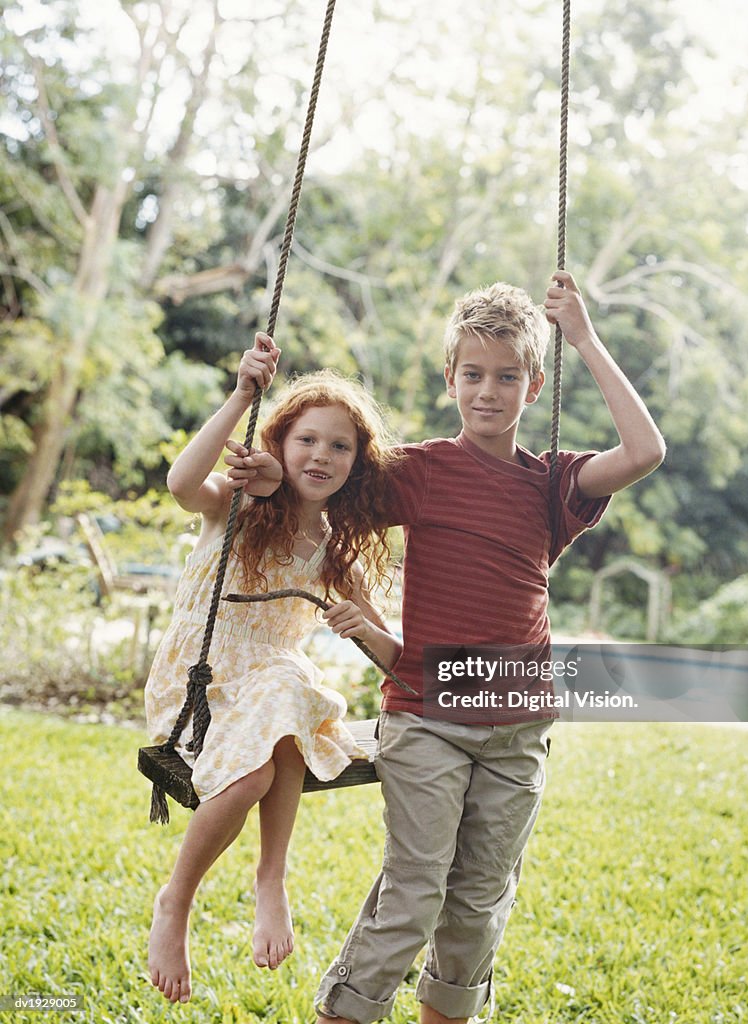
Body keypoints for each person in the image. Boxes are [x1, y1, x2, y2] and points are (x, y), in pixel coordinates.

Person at [313, 271, 666, 1024]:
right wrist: (380, 637)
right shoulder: (417, 471)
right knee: (413, 894)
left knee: (475, 907)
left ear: (533, 387)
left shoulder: (553, 485)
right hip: (426, 718)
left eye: (507, 377)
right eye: (472, 374)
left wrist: (585, 337)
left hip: (516, 729)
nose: (488, 391)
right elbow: (320, 501)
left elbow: (643, 450)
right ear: (450, 379)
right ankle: (347, 1011)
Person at [145, 333, 401, 1004]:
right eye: (307, 440)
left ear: (358, 462)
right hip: (198, 687)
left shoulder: (333, 550)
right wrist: (241, 396)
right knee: (274, 728)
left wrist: (360, 627)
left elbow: (388, 649)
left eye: (339, 445)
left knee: (287, 692)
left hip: (273, 688)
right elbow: (178, 484)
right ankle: (181, 898)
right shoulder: (239, 505)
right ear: (280, 444)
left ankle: (269, 880)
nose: (321, 455)